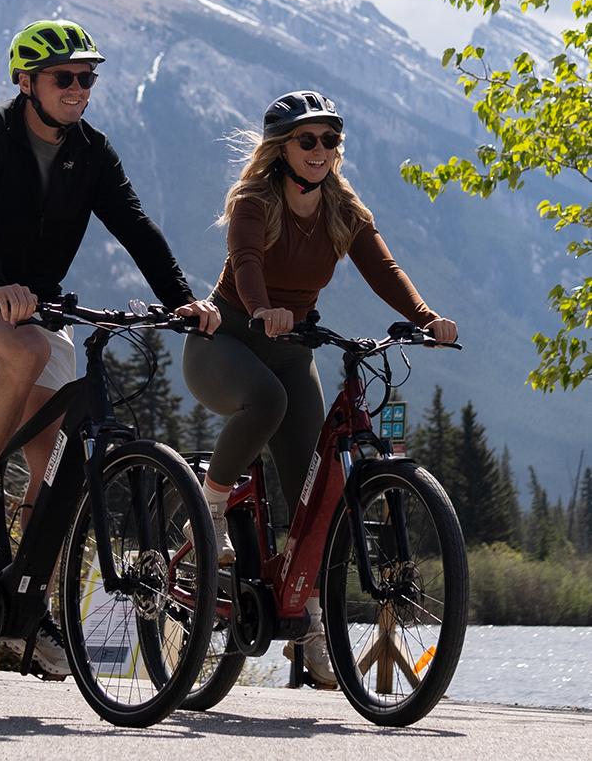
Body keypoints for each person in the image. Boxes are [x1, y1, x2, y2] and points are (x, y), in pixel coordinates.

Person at [0, 18, 219, 675]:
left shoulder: (94, 153)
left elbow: (136, 226)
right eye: (65, 77)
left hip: (37, 304)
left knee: (56, 465)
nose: (80, 87)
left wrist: (181, 299)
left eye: (88, 77)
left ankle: (31, 607)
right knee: (23, 356)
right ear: (26, 82)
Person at [182, 90, 457, 685]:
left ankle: (308, 630)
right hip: (225, 342)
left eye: (331, 139)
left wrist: (425, 317)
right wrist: (261, 310)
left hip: (291, 351)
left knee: (317, 496)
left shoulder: (340, 204)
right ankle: (207, 510)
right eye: (308, 140)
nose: (321, 150)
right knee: (268, 403)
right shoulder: (255, 199)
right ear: (281, 148)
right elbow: (247, 260)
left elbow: (383, 268)